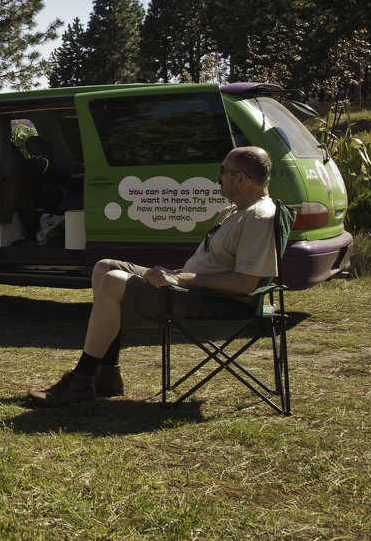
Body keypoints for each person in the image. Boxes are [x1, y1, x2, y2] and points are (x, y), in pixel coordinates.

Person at [27, 146, 280, 407]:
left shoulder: (259, 217)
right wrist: (178, 276)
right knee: (104, 267)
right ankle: (107, 374)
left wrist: (182, 279)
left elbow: (246, 284)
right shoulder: (233, 211)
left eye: (223, 171)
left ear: (240, 178)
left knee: (114, 281)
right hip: (193, 288)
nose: (218, 176)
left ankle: (81, 380)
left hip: (219, 304)